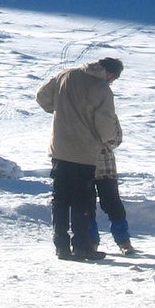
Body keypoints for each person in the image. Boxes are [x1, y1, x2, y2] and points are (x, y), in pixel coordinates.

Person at [35, 56, 124, 261]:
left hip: (59, 150)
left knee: (60, 199)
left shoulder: (65, 75)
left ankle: (61, 246)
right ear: (109, 74)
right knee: (81, 201)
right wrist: (112, 140)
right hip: (83, 152)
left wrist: (60, 109)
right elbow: (105, 127)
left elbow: (41, 96)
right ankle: (82, 246)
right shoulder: (101, 89)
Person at [87, 137, 136, 255]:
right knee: (86, 205)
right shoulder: (78, 118)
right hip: (83, 164)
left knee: (113, 203)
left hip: (105, 165)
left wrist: (105, 143)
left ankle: (123, 240)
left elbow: (116, 137)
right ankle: (90, 241)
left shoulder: (107, 117)